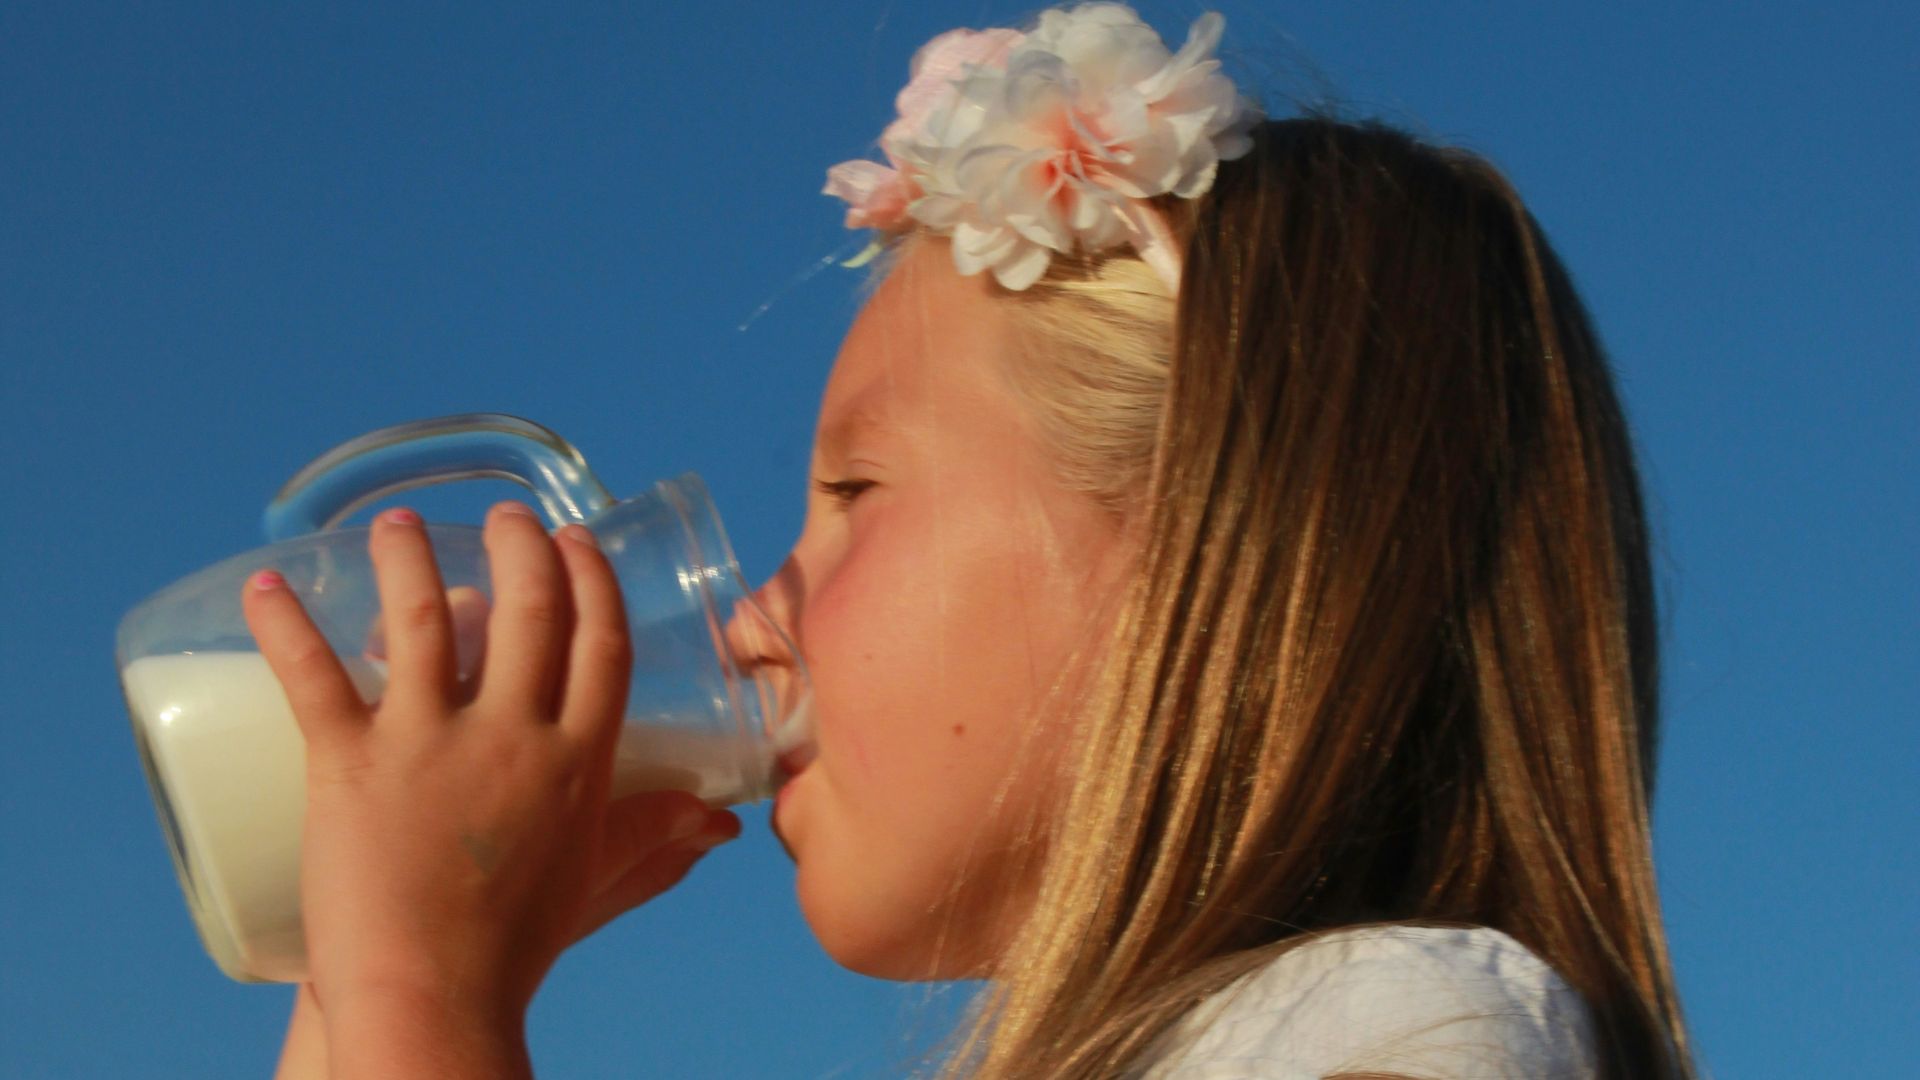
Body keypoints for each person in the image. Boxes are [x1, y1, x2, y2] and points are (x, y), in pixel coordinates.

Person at [244, 4, 1696, 1077]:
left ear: (1214, 537)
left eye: (855, 494)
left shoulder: (1400, 1030)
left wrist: (417, 995)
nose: (754, 614)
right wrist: (352, 965)